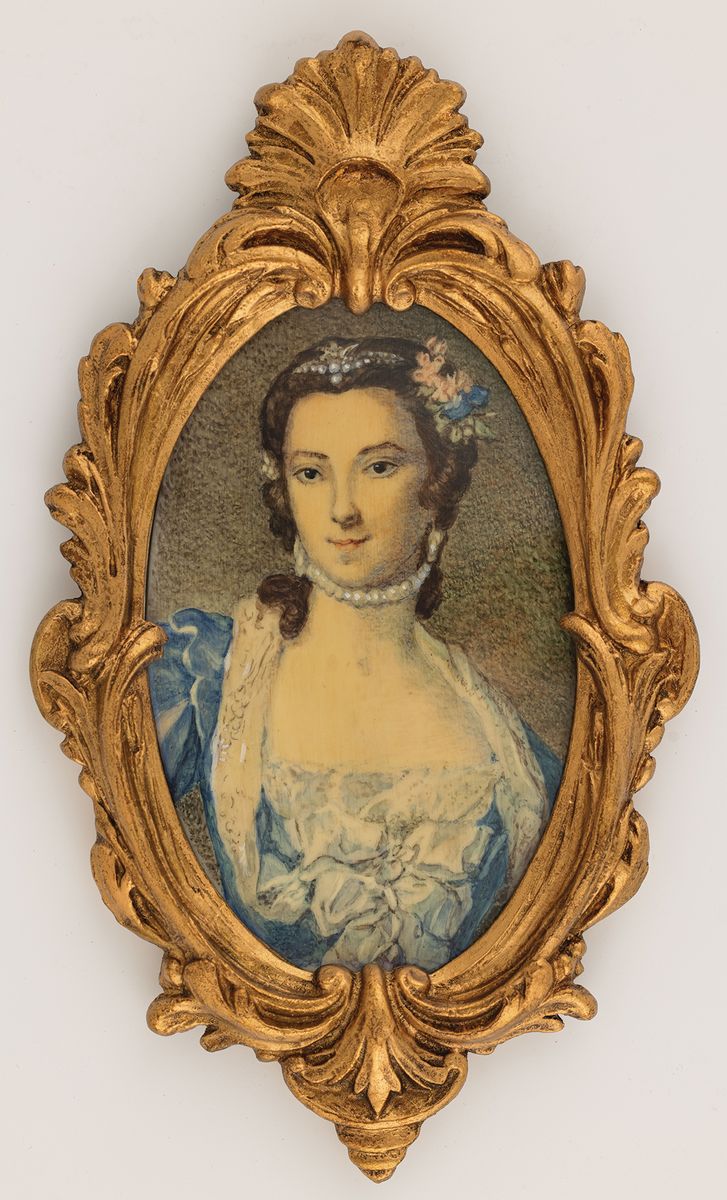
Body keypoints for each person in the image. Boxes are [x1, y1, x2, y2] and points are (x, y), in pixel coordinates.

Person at [148, 335, 562, 973]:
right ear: (285, 489)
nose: (342, 509)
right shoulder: (202, 671)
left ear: (436, 487)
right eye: (312, 473)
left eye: (379, 467)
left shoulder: (512, 756)